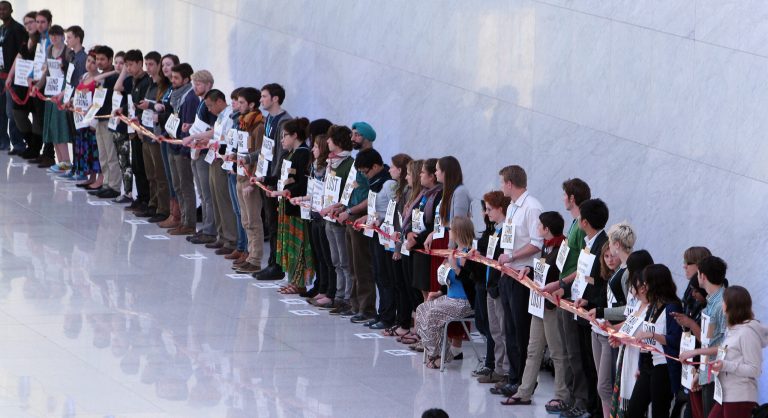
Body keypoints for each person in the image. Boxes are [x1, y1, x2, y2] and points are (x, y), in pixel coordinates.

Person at [502, 211, 569, 407]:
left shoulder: (561, 248)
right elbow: (541, 268)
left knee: (557, 351)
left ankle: (561, 394)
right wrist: (530, 270)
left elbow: (556, 274)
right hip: (539, 304)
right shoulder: (546, 248)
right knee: (533, 349)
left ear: (546, 229)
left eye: (539, 226)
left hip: (550, 305)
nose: (537, 229)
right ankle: (524, 390)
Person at [540, 177, 590, 415]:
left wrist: (561, 283)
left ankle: (580, 399)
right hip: (564, 290)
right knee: (566, 349)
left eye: (564, 195)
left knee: (573, 350)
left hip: (571, 293)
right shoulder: (573, 224)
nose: (562, 199)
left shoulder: (581, 226)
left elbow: (582, 266)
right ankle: (570, 395)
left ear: (572, 198)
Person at [493, 165, 543, 398]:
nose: (501, 186)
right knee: (509, 329)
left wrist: (512, 257)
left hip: (523, 273)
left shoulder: (531, 207)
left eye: (503, 182)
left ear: (510, 183)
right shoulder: (512, 206)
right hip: (509, 273)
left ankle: (525, 381)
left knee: (520, 330)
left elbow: (536, 244)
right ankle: (513, 377)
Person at [587, 222, 637, 418]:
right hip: (611, 328)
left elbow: (631, 308)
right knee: (607, 384)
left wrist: (603, 313)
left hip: (620, 331)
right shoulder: (622, 269)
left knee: (608, 384)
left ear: (616, 243)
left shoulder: (628, 271)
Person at [416, 216, 476, 369]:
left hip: (463, 301)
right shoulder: (455, 251)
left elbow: (468, 281)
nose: (449, 232)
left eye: (451, 230)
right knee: (422, 309)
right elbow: (449, 280)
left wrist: (455, 266)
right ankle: (438, 352)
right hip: (450, 297)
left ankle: (439, 354)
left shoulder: (469, 253)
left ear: (458, 232)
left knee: (432, 315)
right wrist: (439, 291)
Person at [262, 117, 313, 293]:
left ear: (295, 135)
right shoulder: (291, 153)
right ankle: (292, 278)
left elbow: (304, 184)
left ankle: (300, 282)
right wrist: (265, 179)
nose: (282, 140)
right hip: (286, 206)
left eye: (285, 136)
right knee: (288, 244)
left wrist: (285, 192)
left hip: (297, 207)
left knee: (298, 244)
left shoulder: (303, 153)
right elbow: (283, 179)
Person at [626, 264, 683, 418]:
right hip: (647, 364)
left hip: (663, 367)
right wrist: (640, 365)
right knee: (633, 411)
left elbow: (675, 340)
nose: (644, 287)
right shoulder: (653, 305)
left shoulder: (672, 307)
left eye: (646, 283)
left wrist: (652, 335)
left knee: (659, 412)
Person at [335, 121, 377, 324]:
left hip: (361, 217)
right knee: (351, 264)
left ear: (367, 138)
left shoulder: (372, 161)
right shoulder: (355, 162)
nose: (352, 139)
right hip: (349, 215)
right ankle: (354, 304)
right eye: (352, 135)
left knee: (362, 264)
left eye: (357, 135)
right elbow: (350, 189)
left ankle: (367, 307)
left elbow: (371, 196)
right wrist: (342, 206)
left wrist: (351, 210)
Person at [677, 256, 729, 418]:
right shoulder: (711, 302)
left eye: (698, 273)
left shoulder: (723, 304)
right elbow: (709, 341)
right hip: (707, 374)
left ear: (703, 276)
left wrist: (694, 354)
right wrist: (701, 373)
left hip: (718, 377)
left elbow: (726, 345)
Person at [351, 147, 395, 329]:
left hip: (386, 236)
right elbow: (375, 209)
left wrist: (380, 220)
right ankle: (381, 313)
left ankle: (388, 316)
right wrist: (366, 218)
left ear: (376, 166)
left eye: (365, 171)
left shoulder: (388, 184)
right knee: (377, 274)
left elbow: (395, 211)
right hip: (375, 233)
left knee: (386, 277)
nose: (365, 175)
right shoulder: (375, 183)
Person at [708, 286, 768, 418]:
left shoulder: (747, 333)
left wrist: (725, 365)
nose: (721, 304)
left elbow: (755, 369)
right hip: (725, 395)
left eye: (723, 301)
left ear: (730, 305)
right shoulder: (733, 330)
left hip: (740, 396)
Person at [609, 250, 655, 417]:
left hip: (639, 361)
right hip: (626, 355)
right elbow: (629, 324)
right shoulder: (638, 304)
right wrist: (617, 334)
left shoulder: (652, 308)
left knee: (637, 406)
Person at [253, 83, 292, 281]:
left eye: (264, 96)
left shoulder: (284, 122)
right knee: (270, 221)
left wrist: (274, 180)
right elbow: (265, 149)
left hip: (274, 180)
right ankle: (272, 262)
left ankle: (277, 265)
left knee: (276, 224)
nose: (261, 100)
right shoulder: (269, 118)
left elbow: (283, 154)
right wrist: (253, 161)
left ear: (275, 98)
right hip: (265, 176)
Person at [384, 158, 425, 342]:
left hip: (413, 247)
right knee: (405, 287)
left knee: (414, 291)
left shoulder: (420, 195)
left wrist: (399, 247)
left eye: (409, 174)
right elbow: (402, 222)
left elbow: (410, 223)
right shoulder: (408, 191)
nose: (407, 177)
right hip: (404, 244)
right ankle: (408, 325)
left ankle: (415, 328)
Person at [473, 190, 510, 384]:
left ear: (500, 209)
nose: (487, 213)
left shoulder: (506, 231)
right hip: (490, 284)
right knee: (494, 330)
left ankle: (505, 370)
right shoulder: (495, 230)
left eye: (489, 209)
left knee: (503, 330)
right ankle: (498, 367)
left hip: (498, 285)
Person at [321, 125, 355, 314]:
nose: (327, 142)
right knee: (335, 259)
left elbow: (348, 191)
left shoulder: (350, 163)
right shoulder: (331, 162)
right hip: (329, 216)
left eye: (330, 138)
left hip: (339, 217)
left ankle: (347, 298)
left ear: (338, 141)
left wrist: (340, 208)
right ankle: (339, 294)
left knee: (344, 260)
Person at [379, 153, 414, 336]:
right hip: (394, 240)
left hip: (401, 243)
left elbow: (404, 221)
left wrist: (399, 246)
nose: (390, 169)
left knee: (403, 286)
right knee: (397, 283)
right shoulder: (400, 189)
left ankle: (405, 323)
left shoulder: (408, 191)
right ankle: (401, 321)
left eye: (392, 167)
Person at [199, 89, 237, 253]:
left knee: (224, 200)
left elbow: (227, 140)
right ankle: (221, 236)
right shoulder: (220, 117)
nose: (208, 109)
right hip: (215, 158)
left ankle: (231, 239)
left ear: (220, 102)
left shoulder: (229, 116)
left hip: (223, 160)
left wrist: (212, 143)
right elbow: (217, 136)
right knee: (215, 199)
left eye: (210, 105)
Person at [233, 87, 266, 274]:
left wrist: (253, 180)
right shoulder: (243, 124)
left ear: (252, 104)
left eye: (242, 102)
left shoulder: (258, 126)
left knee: (253, 220)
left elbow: (260, 154)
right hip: (240, 174)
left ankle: (255, 258)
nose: (238, 106)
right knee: (245, 220)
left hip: (249, 178)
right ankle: (249, 253)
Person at [162, 63, 198, 235]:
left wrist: (185, 150)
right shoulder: (175, 95)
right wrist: (165, 133)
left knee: (185, 186)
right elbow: (173, 117)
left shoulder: (190, 98)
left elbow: (188, 125)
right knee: (177, 185)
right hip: (172, 144)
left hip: (181, 149)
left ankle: (189, 222)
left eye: (176, 78)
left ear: (186, 79)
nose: (173, 80)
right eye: (172, 77)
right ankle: (181, 218)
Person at [136, 50, 171, 223]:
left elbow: (162, 108)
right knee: (150, 173)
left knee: (160, 174)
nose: (148, 68)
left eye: (152, 64)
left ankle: (163, 208)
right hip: (147, 132)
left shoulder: (164, 87)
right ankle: (152, 203)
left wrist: (150, 105)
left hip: (158, 135)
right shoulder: (150, 84)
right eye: (146, 64)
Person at [34, 25, 72, 174]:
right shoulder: (49, 50)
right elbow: (48, 71)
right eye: (51, 36)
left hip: (61, 89)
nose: (54, 38)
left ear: (62, 36)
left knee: (59, 124)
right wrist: (38, 85)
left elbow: (72, 74)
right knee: (51, 125)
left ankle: (67, 161)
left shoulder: (68, 51)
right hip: (51, 87)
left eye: (56, 35)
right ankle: (61, 161)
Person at [88, 45, 120, 199]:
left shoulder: (114, 76)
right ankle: (106, 182)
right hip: (99, 117)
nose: (99, 62)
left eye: (102, 59)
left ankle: (114, 186)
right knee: (103, 154)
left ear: (110, 60)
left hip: (109, 119)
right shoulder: (101, 77)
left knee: (111, 154)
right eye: (97, 59)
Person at [0, 1, 28, 155]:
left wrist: (16, 76)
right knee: (1, 111)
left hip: (13, 78)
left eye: (4, 9)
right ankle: (3, 142)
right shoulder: (1, 29)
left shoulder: (18, 29)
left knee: (12, 112)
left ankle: (18, 143)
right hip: (0, 75)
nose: (1, 11)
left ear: (11, 10)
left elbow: (22, 54)